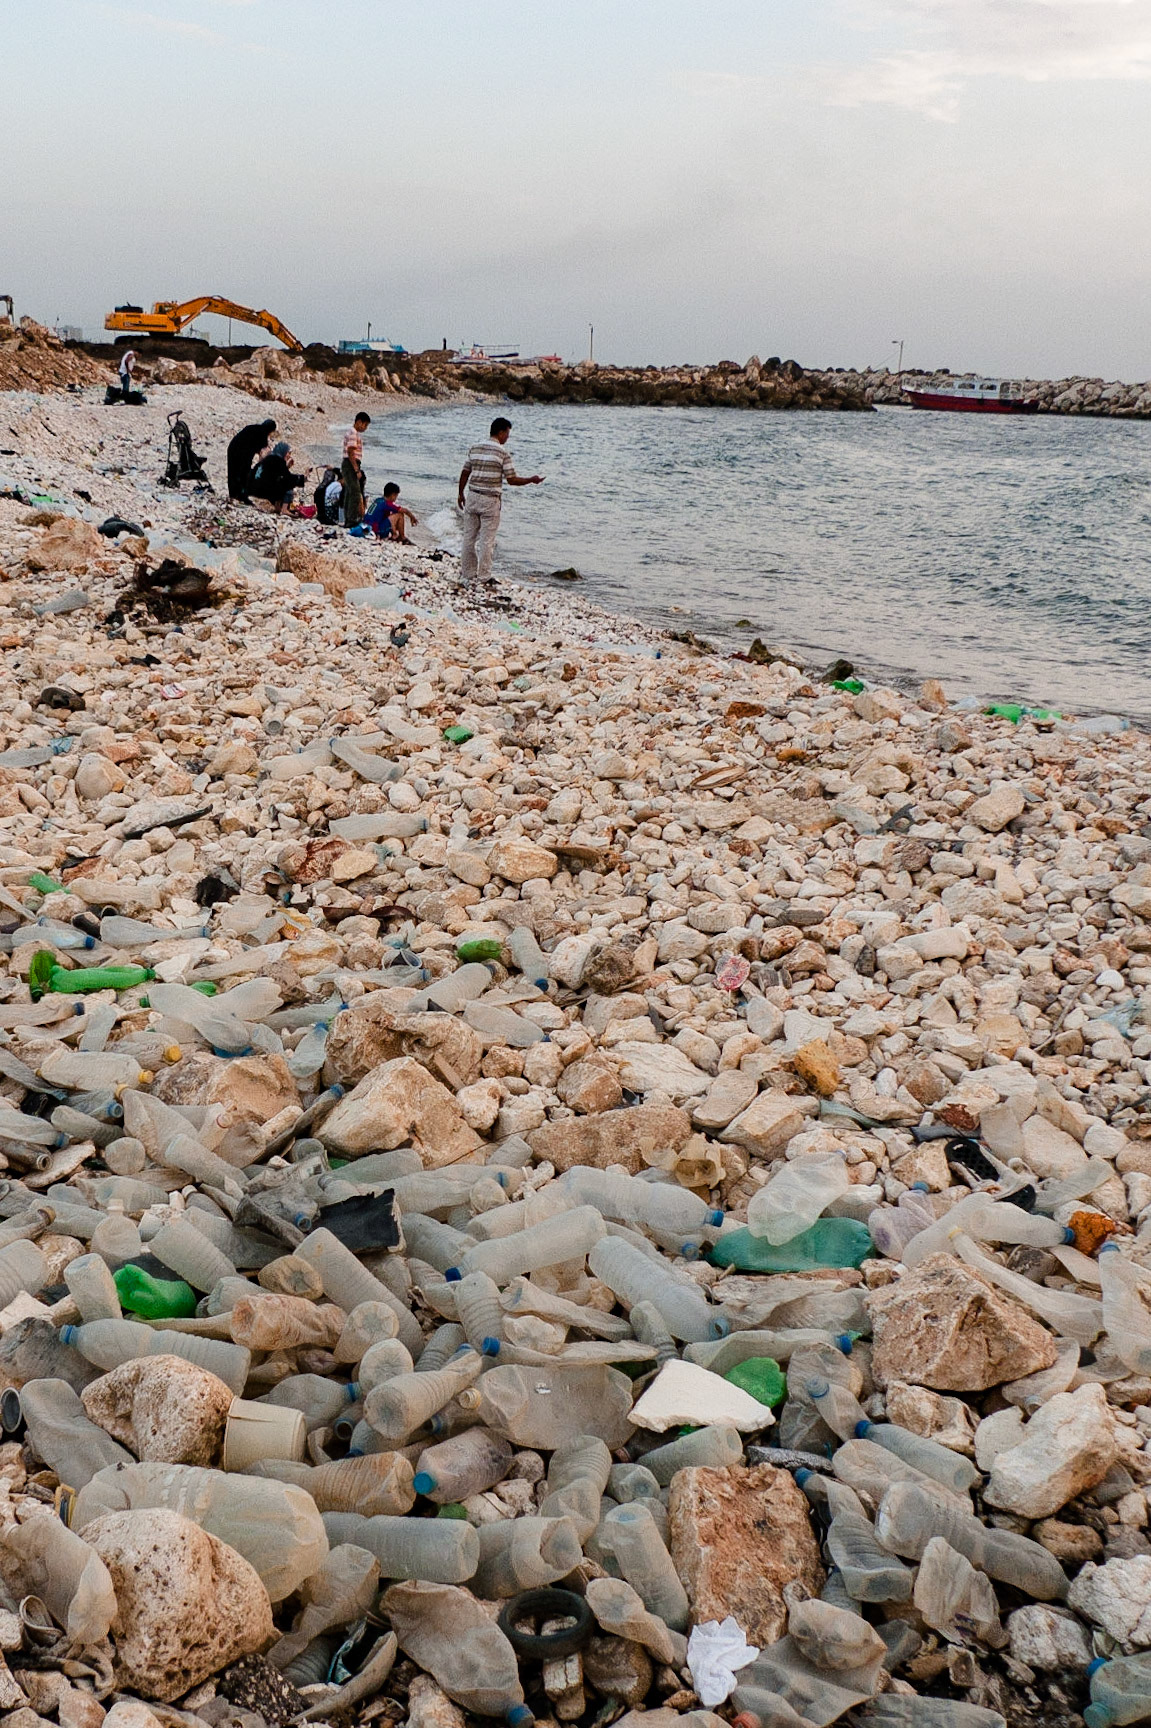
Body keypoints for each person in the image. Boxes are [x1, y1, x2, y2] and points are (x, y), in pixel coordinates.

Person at [457, 416, 543, 583]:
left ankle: (467, 573)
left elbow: (465, 472)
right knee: (487, 540)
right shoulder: (502, 453)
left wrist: (460, 493)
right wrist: (531, 480)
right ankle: (484, 576)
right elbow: (512, 480)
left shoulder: (475, 448)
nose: (508, 437)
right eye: (507, 433)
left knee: (469, 537)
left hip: (473, 495)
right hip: (490, 499)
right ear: (501, 432)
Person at [227, 418, 277, 502]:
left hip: (232, 448)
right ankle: (242, 495)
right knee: (244, 472)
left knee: (233, 471)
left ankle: (233, 493)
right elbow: (262, 453)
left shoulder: (253, 427)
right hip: (243, 453)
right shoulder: (263, 435)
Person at [248, 441, 305, 513]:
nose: (289, 455)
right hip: (262, 491)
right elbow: (287, 477)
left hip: (253, 489)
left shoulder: (268, 459)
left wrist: (286, 466)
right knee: (288, 483)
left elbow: (275, 475)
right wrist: (302, 478)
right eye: (288, 453)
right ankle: (284, 510)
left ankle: (278, 506)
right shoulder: (278, 460)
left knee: (282, 482)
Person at [341, 412, 371, 529]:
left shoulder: (351, 432)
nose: (365, 428)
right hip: (350, 463)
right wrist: (356, 469)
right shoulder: (353, 433)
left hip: (348, 463)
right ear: (359, 422)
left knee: (349, 491)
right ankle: (352, 519)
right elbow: (351, 452)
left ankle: (348, 519)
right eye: (365, 425)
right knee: (355, 492)